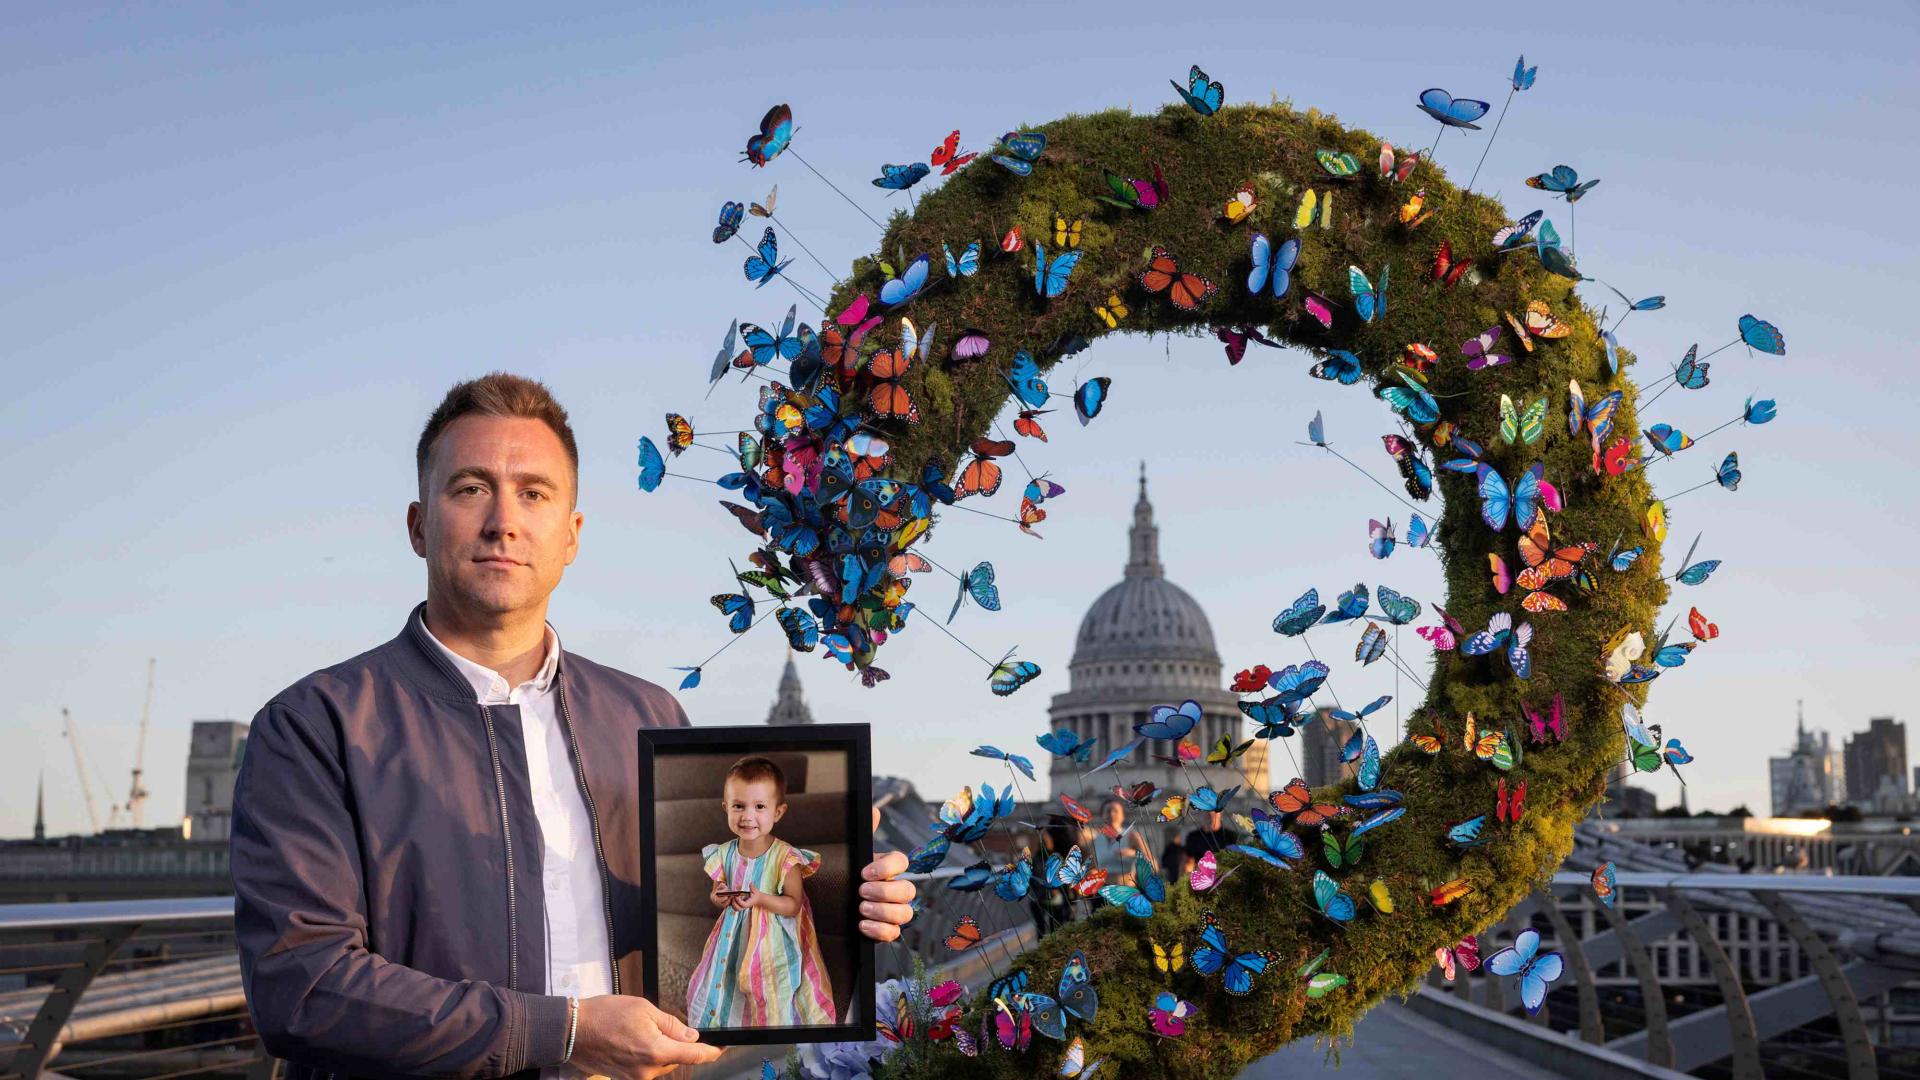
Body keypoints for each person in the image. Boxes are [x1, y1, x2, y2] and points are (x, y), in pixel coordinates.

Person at [231, 374, 916, 1080]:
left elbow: (696, 934)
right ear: (417, 525)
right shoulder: (314, 727)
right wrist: (565, 1033)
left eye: (534, 493)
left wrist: (843, 898)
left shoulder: (647, 716)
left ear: (571, 536)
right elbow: (301, 988)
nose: (503, 520)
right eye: (469, 489)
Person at [685, 756, 835, 1028]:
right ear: (725, 808)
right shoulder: (723, 853)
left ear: (777, 812)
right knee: (727, 976)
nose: (748, 816)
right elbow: (715, 895)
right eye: (739, 806)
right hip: (732, 934)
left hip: (771, 938)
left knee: (766, 983)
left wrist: (761, 899)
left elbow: (793, 905)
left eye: (760, 807)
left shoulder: (785, 858)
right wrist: (719, 896)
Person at [1091, 797, 1143, 887]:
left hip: (1126, 890)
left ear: (1123, 816)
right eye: (1108, 811)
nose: (1111, 814)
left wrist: (1134, 853)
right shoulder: (1095, 839)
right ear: (1102, 816)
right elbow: (1092, 866)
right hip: (1102, 890)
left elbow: (1153, 864)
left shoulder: (1132, 835)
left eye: (1115, 811)